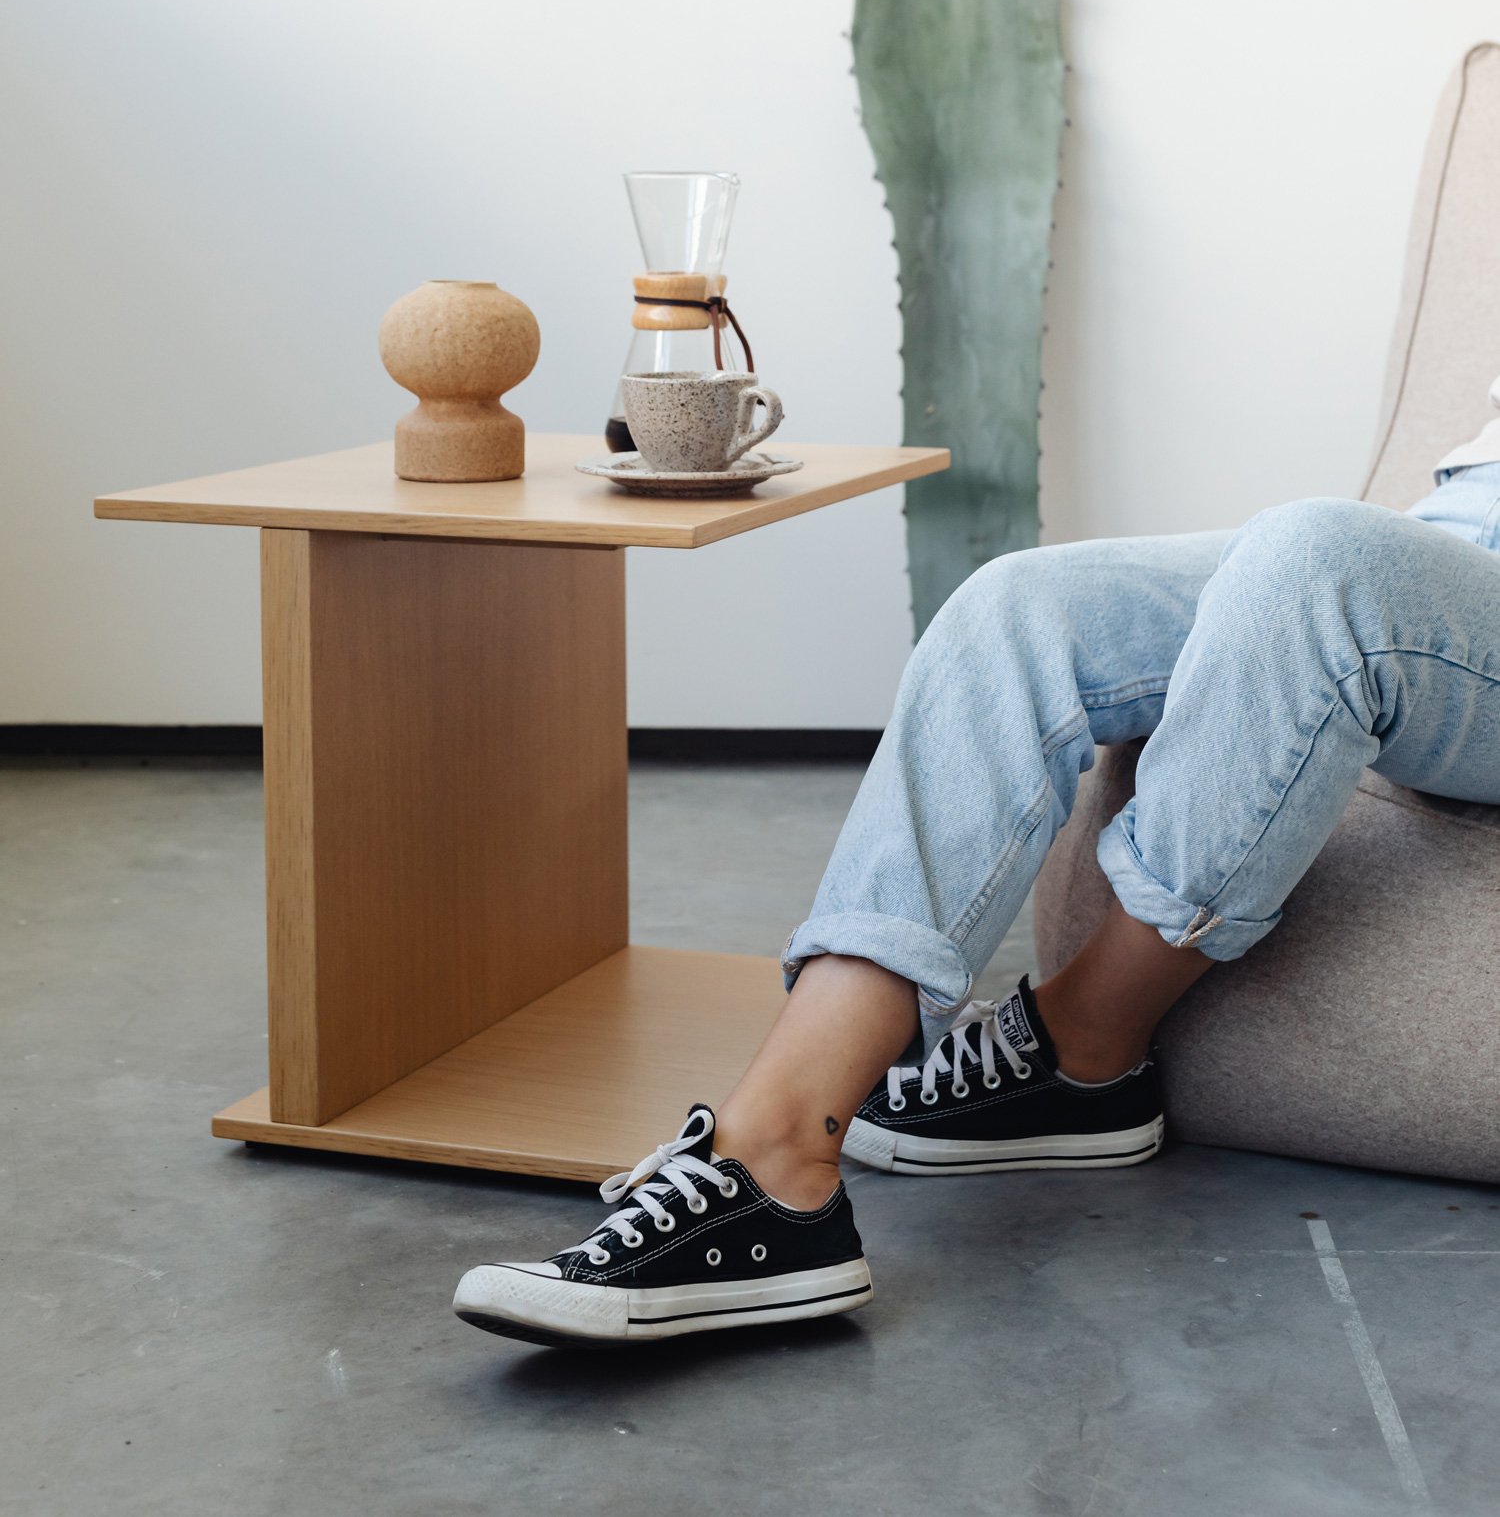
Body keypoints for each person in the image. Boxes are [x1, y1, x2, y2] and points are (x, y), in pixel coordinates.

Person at [452, 389, 1500, 1348]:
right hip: (1451, 532)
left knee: (1317, 560)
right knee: (1019, 604)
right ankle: (777, 1142)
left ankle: (1085, 1046)